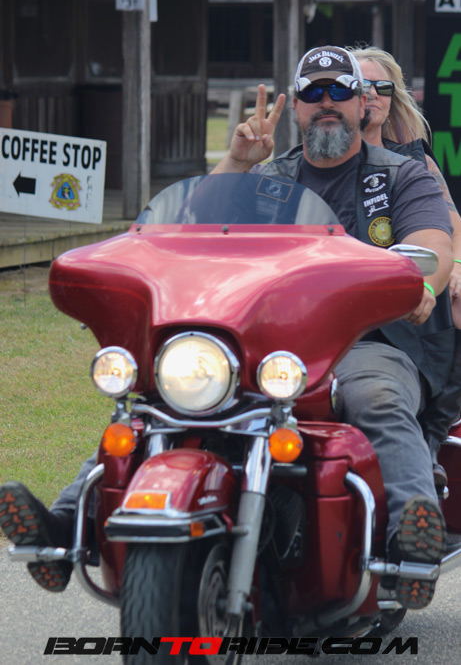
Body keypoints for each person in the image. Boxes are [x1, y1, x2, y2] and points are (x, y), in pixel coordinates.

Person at [0, 46, 454, 611]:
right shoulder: (267, 180)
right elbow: (175, 232)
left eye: (339, 91)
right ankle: (63, 526)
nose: (326, 102)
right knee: (154, 407)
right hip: (265, 342)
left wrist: (422, 284)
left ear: (363, 104)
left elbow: (433, 247)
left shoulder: (402, 175)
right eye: (312, 93)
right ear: (297, 108)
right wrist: (237, 162)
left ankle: (410, 543)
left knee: (377, 397)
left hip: (369, 340)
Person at [349, 45, 461, 489]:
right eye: (360, 86)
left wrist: (455, 266)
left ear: (394, 98)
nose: (371, 95)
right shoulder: (313, 159)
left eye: (382, 87)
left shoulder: (415, 162)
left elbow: (452, 226)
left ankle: (430, 437)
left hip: (408, 296)